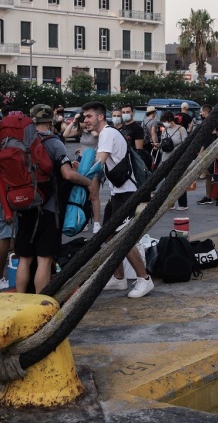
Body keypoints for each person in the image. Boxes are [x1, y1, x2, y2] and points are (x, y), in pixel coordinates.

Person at [14, 105, 93, 295]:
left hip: (24, 206)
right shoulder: (54, 143)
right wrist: (88, 182)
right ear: (50, 121)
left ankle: (20, 299)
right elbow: (67, 174)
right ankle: (40, 301)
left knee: (25, 258)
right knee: (44, 259)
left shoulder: (19, 143)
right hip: (48, 209)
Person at [83, 101, 155, 298]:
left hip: (127, 193)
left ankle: (144, 279)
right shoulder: (107, 133)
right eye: (84, 117)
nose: (85, 120)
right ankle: (119, 278)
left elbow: (98, 163)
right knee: (108, 235)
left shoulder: (107, 133)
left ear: (100, 117)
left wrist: (78, 174)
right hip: (117, 193)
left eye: (89, 116)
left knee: (124, 237)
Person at [156, 111, 189, 210]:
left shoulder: (181, 129)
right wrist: (159, 146)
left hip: (177, 158)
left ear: (170, 119)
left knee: (179, 180)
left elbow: (186, 144)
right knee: (168, 181)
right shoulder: (164, 130)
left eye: (165, 121)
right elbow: (162, 143)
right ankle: (170, 203)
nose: (164, 123)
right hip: (166, 158)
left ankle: (183, 204)